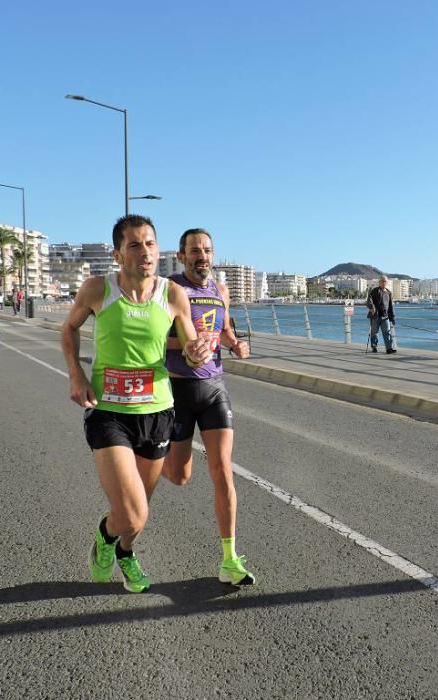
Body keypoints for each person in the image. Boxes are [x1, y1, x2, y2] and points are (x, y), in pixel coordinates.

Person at [61, 214, 213, 593]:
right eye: (134, 245)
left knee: (136, 519)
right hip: (109, 412)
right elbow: (69, 328)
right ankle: (104, 537)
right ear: (117, 254)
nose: (145, 252)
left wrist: (197, 351)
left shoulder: (172, 294)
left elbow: (192, 352)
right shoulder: (98, 289)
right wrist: (77, 375)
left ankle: (124, 551)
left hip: (157, 412)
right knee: (133, 512)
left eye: (149, 243)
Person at [161, 228, 256, 586]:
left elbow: (225, 329)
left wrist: (235, 345)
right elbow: (153, 338)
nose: (202, 255)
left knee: (222, 470)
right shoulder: (169, 289)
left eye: (207, 250)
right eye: (194, 250)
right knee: (180, 476)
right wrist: (184, 345)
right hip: (178, 390)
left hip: (214, 387)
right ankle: (153, 465)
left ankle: (229, 559)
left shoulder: (220, 290)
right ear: (182, 256)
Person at [366, 275, 397, 354]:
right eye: (382, 281)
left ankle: (389, 348)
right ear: (379, 282)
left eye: (385, 281)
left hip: (385, 316)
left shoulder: (389, 292)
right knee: (374, 333)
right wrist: (372, 307)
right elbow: (369, 300)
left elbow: (390, 306)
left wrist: (392, 318)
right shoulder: (375, 291)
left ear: (387, 282)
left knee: (387, 332)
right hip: (375, 316)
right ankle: (374, 347)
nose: (384, 283)